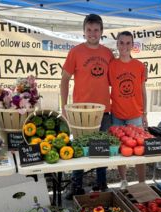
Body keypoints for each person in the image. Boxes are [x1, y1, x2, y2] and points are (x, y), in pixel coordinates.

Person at [60, 14, 114, 199]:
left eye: (96, 30)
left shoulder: (108, 53)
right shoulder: (75, 52)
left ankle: (101, 182)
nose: (92, 33)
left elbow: (115, 79)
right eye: (89, 30)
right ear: (84, 31)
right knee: (79, 148)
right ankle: (76, 185)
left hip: (104, 110)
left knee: (101, 147)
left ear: (101, 32)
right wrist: (64, 106)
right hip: (81, 112)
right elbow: (64, 80)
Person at [109, 31, 147, 189]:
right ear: (117, 44)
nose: (124, 46)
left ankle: (142, 181)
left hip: (135, 115)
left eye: (128, 43)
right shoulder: (111, 65)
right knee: (121, 150)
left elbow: (143, 90)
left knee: (140, 151)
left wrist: (145, 113)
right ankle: (123, 180)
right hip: (117, 114)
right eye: (121, 42)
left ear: (132, 45)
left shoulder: (140, 66)